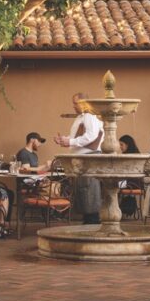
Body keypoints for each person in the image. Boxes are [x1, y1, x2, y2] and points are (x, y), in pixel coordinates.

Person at [53, 92, 103, 224]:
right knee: (84, 191)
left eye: (75, 103)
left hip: (89, 157)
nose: (73, 106)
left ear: (84, 103)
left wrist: (70, 142)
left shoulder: (89, 116)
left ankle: (92, 222)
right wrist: (64, 140)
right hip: (83, 157)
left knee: (89, 190)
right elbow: (77, 138)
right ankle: (88, 221)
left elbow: (91, 136)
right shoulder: (81, 117)